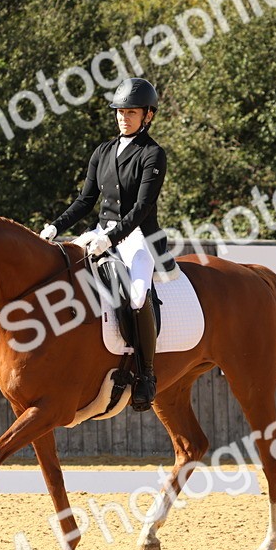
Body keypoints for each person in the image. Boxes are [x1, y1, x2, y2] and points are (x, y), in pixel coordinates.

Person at [40, 77, 168, 412]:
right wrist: (55, 227)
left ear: (148, 116)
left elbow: (142, 209)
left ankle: (146, 374)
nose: (124, 117)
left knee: (138, 296)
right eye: (120, 112)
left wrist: (111, 238)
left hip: (137, 236)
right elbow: (85, 200)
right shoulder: (103, 151)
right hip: (100, 232)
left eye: (132, 112)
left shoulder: (153, 154)